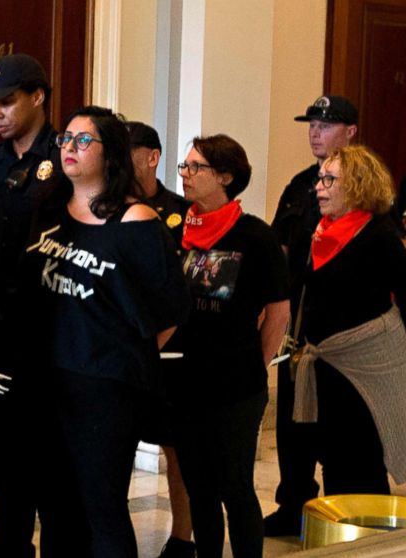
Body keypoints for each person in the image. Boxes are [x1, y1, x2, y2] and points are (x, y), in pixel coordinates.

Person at [23, 106, 190, 557]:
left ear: (110, 152)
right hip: (48, 377)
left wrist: (121, 354)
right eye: (66, 140)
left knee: (102, 506)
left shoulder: (135, 221)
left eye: (83, 141)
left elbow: (171, 309)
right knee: (56, 507)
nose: (69, 149)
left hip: (105, 388)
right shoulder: (49, 210)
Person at [167, 135, 289, 558]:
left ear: (225, 177)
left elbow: (278, 311)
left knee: (235, 487)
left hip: (237, 384)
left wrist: (257, 364)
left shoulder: (255, 236)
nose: (185, 175)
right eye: (184, 167)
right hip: (185, 380)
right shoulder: (178, 227)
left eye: (195, 167)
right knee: (199, 487)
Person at [0, 53, 59, 558]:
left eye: (7, 101)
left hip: (52, 338)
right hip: (1, 341)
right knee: (4, 470)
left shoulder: (66, 158)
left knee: (53, 477)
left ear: (38, 97)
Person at [266, 95, 358, 537]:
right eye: (312, 124)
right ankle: (293, 503)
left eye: (326, 124)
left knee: (340, 426)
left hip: (343, 330)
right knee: (292, 422)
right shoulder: (300, 184)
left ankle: (345, 509)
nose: (315, 131)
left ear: (351, 132)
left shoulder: (366, 183)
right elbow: (278, 248)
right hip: (298, 324)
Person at [292, 145, 406, 496]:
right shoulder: (322, 231)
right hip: (328, 365)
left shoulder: (380, 235)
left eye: (330, 179)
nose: (319, 187)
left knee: (361, 461)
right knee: (335, 458)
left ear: (357, 184)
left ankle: (367, 546)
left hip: (367, 365)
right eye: (319, 179)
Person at [126, 121, 194, 558]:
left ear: (152, 156)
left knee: (177, 451)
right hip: (123, 346)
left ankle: (183, 537)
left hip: (171, 350)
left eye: (128, 152)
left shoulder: (180, 211)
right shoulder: (110, 207)